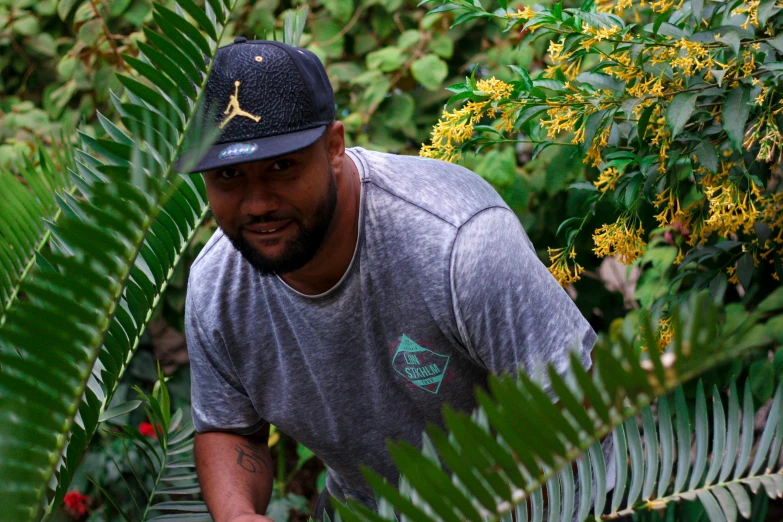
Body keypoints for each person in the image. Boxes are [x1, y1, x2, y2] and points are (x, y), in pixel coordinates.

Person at [179, 38, 597, 522]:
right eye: (229, 174)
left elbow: (580, 411)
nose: (257, 203)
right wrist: (237, 515)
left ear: (333, 147)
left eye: (281, 166)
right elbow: (229, 428)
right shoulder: (216, 287)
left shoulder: (458, 242)